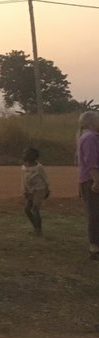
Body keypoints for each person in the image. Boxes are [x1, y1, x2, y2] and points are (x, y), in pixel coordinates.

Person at [75, 111, 99, 260]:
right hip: (92, 179)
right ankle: (94, 248)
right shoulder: (89, 137)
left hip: (91, 178)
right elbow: (91, 162)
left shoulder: (89, 136)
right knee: (94, 214)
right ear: (91, 122)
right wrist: (96, 180)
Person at [21, 147, 50, 236]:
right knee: (26, 210)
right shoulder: (23, 167)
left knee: (35, 208)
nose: (24, 155)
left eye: (26, 154)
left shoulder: (39, 167)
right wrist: (24, 190)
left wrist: (47, 190)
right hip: (30, 190)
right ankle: (36, 227)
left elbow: (45, 179)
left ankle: (38, 230)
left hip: (39, 190)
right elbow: (23, 180)